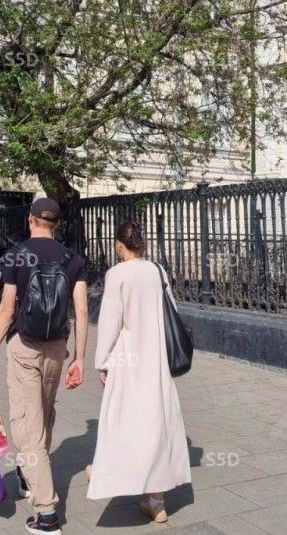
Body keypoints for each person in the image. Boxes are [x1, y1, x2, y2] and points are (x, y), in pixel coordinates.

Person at [0, 198, 89, 535]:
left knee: (28, 424)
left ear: (30, 219)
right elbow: (81, 312)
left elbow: (6, 310)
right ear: (57, 224)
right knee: (44, 413)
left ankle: (47, 513)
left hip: (24, 346)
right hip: (57, 347)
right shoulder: (73, 259)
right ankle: (29, 473)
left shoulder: (16, 256)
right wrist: (80, 358)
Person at [86, 220, 190, 524]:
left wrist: (102, 361)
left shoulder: (117, 274)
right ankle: (157, 502)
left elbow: (110, 322)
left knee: (120, 421)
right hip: (156, 360)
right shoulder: (157, 271)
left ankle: (107, 471)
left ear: (120, 245)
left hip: (127, 361)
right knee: (157, 424)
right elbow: (171, 311)